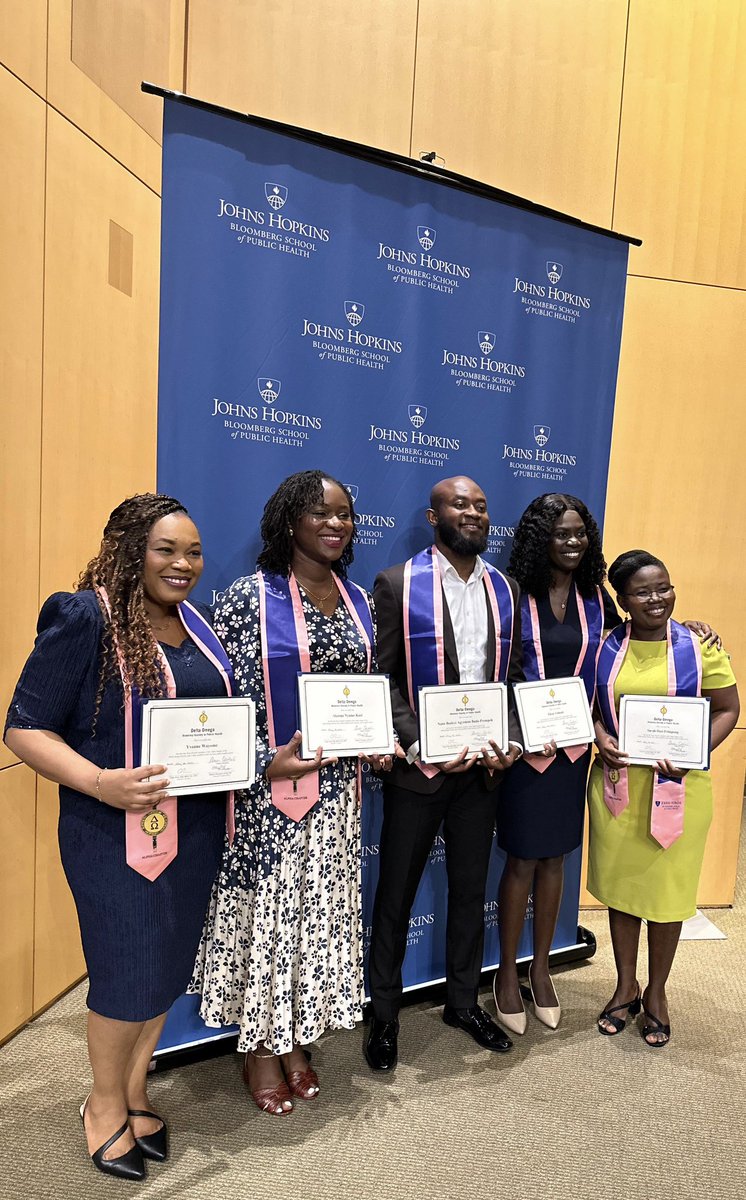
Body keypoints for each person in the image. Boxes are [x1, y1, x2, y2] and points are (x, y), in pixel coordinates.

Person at [4, 494, 233, 1179]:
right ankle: (102, 1103)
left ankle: (135, 1092)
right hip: (111, 834)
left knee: (164, 971)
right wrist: (101, 782)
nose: (183, 563)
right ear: (129, 548)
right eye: (166, 549)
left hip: (191, 829)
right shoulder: (86, 617)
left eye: (192, 551)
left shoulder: (196, 623)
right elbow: (24, 726)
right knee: (124, 975)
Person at [191, 470, 390, 1114]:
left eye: (345, 515)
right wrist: (259, 763)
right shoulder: (248, 598)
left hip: (336, 794)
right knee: (272, 919)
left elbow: (363, 694)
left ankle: (296, 1037)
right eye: (320, 514)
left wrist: (379, 738)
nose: (336, 525)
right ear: (289, 522)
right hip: (270, 798)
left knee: (315, 918)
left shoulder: (357, 599)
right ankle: (261, 1047)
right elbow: (223, 700)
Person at [365, 475, 523, 1072]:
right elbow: (385, 678)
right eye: (460, 504)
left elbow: (506, 679)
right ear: (434, 518)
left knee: (468, 889)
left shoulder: (502, 589)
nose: (474, 513)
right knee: (396, 893)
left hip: (482, 771)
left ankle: (462, 1000)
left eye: (482, 505)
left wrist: (508, 736)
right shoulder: (399, 584)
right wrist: (418, 743)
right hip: (420, 772)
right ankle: (383, 1014)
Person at [589, 550, 739, 1047]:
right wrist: (598, 737)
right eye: (643, 592)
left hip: (680, 790)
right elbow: (586, 706)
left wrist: (697, 752)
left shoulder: (699, 647)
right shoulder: (605, 646)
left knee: (669, 897)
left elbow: (726, 709)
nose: (657, 598)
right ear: (624, 600)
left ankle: (657, 992)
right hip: (619, 790)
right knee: (624, 892)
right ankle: (624, 984)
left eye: (664, 587)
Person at [493, 494, 618, 1034]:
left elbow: (631, 643)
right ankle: (505, 973)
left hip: (572, 751)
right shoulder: (513, 594)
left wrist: (696, 629)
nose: (572, 542)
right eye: (560, 533)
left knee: (556, 861)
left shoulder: (597, 596)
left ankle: (541, 969)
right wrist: (522, 734)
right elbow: (494, 668)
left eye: (579, 533)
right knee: (522, 859)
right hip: (526, 750)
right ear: (539, 538)